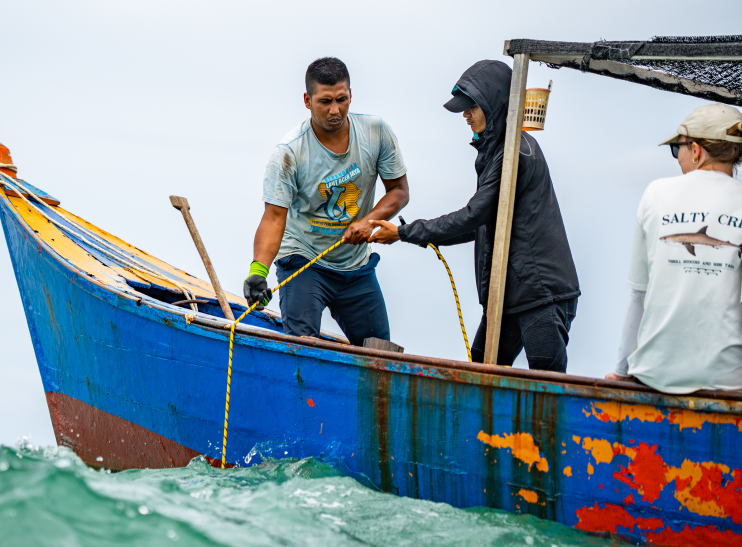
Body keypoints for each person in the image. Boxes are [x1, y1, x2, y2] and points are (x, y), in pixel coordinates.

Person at [368, 59, 580, 372]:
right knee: (481, 366)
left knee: (547, 381)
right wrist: (410, 234)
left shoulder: (516, 153)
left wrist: (404, 232)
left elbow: (474, 214)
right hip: (512, 293)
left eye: (471, 107)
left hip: (541, 293)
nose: (465, 115)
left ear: (494, 105)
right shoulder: (498, 151)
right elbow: (481, 223)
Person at [244, 57, 409, 346]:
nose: (335, 110)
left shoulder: (376, 132)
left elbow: (399, 191)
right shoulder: (289, 152)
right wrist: (258, 271)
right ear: (307, 100)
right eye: (325, 101)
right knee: (301, 347)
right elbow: (273, 218)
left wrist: (368, 221)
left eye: (341, 99)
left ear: (350, 95)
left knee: (381, 353)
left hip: (356, 265)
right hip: (305, 260)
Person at [605, 104, 742, 393]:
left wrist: (621, 371)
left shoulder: (655, 193)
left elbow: (638, 294)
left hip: (655, 375)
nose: (677, 159)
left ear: (696, 150)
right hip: (730, 381)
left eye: (676, 149)